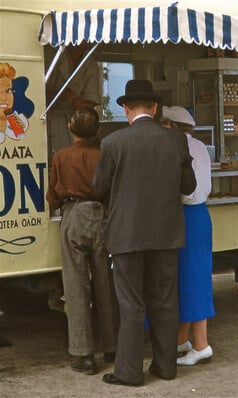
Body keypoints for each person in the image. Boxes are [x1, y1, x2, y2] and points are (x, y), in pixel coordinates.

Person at [94, 80, 196, 386]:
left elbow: (99, 188)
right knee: (165, 300)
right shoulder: (177, 141)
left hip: (125, 235)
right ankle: (165, 366)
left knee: (131, 304)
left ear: (126, 109)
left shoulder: (113, 142)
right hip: (166, 234)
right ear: (154, 108)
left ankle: (129, 372)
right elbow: (188, 187)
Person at [45, 107, 119, 375]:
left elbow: (52, 194)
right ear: (98, 131)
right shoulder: (105, 154)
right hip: (102, 215)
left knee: (76, 286)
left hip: (75, 214)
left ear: (70, 128)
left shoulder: (61, 156)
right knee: (105, 282)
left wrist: (58, 200)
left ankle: (84, 355)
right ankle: (111, 346)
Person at [160, 105, 215, 366]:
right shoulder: (201, 147)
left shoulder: (175, 148)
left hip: (185, 215)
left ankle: (202, 344)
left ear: (171, 126)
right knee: (191, 277)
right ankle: (182, 339)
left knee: (189, 280)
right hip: (201, 215)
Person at [46, 43, 101, 155]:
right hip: (47, 117)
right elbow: (36, 91)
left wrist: (81, 104)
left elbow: (91, 99)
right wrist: (60, 94)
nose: (88, 41)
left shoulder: (90, 64)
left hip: (75, 123)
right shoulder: (51, 56)